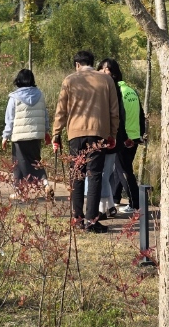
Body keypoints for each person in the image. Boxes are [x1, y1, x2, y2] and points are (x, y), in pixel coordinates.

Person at [51, 50, 119, 233]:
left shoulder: (69, 80)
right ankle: (91, 220)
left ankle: (77, 218)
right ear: (92, 62)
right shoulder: (106, 80)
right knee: (95, 175)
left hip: (75, 134)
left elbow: (61, 111)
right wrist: (112, 134)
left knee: (77, 175)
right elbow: (114, 111)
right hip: (99, 132)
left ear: (77, 65)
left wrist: (56, 133)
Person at [98, 58, 145, 214]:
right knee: (120, 169)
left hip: (124, 137)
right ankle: (116, 197)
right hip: (134, 135)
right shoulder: (131, 91)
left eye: (105, 69)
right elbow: (141, 113)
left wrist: (124, 137)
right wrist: (141, 134)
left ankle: (135, 203)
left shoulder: (115, 92)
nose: (102, 72)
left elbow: (119, 117)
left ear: (113, 73)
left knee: (124, 171)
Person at [2, 68, 49, 199]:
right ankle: (36, 185)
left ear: (18, 80)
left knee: (20, 163)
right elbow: (45, 115)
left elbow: (10, 119)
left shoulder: (14, 98)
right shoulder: (40, 95)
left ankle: (35, 186)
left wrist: (5, 136)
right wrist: (46, 131)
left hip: (20, 136)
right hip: (36, 136)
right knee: (34, 161)